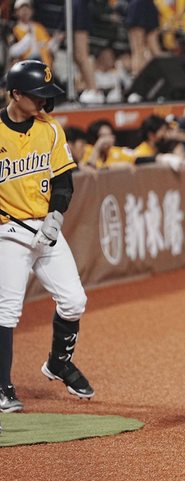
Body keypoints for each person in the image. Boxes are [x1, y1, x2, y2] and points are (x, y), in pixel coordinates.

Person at [0, 60, 94, 413]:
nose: (43, 101)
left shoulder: (51, 129)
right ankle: (3, 387)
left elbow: (63, 181)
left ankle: (58, 363)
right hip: (7, 232)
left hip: (44, 227)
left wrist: (56, 216)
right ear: (15, 94)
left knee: (74, 301)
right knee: (7, 311)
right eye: (36, 95)